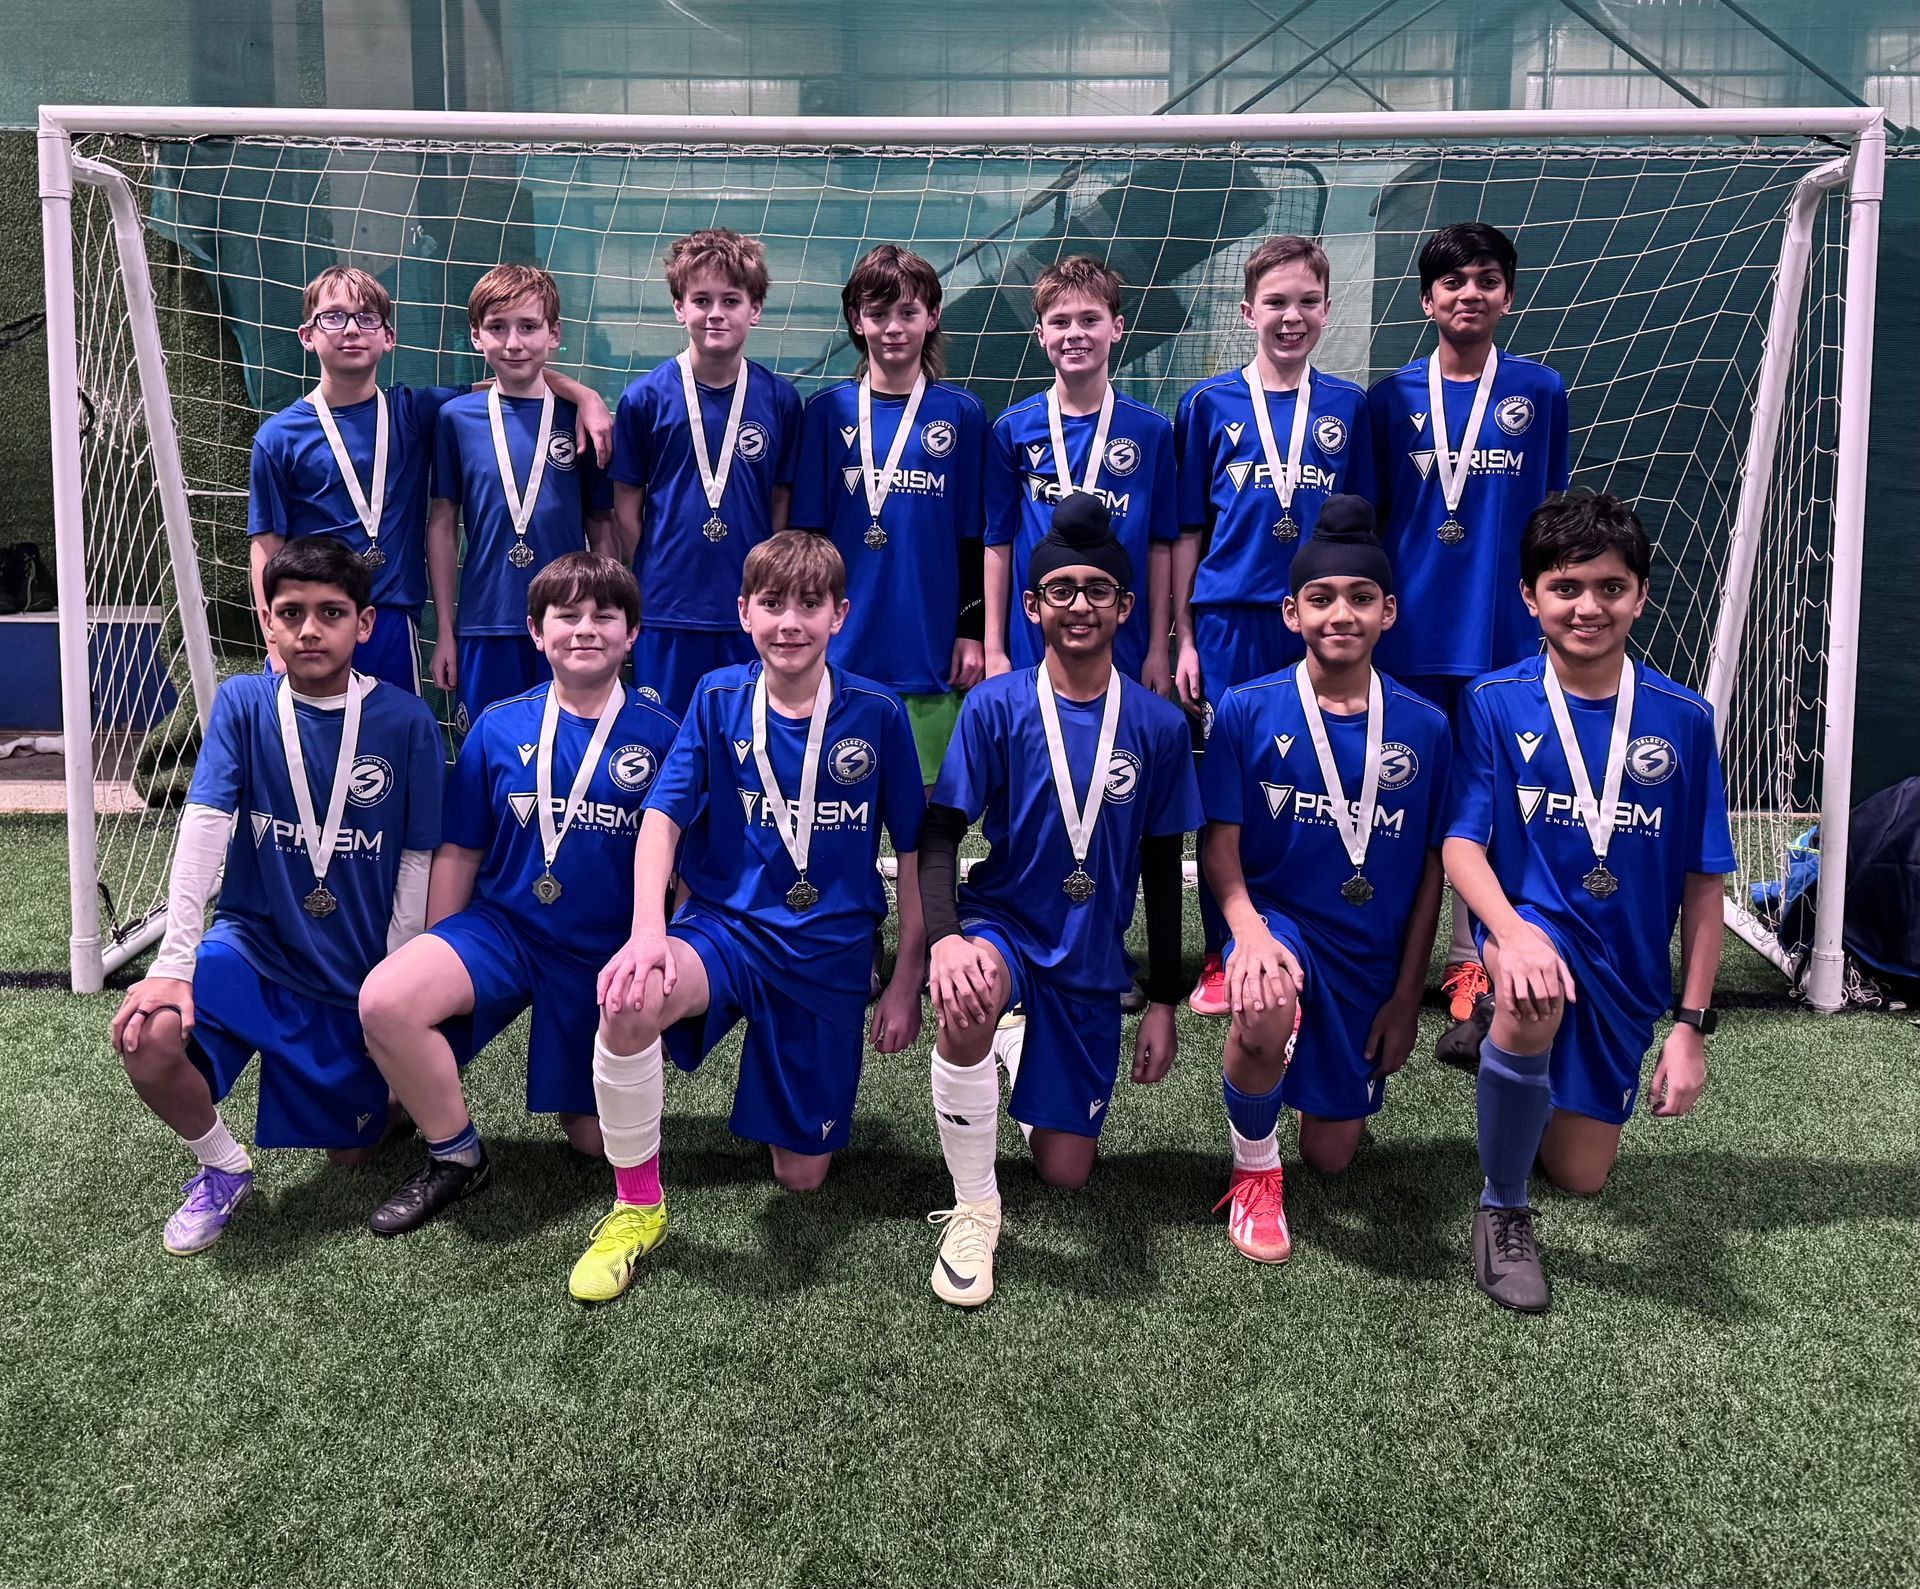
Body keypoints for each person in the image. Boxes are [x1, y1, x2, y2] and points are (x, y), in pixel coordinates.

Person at [572, 531, 927, 1303]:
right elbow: (661, 820)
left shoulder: (877, 712)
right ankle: (636, 1206)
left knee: (800, 1178)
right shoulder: (716, 696)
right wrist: (647, 931)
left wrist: (907, 977)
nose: (789, 622)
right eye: (772, 604)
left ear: (841, 612)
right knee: (627, 998)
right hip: (725, 932)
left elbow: (919, 851)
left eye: (809, 604)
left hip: (831, 951)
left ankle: (781, 1073)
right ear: (744, 612)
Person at [1442, 490, 1733, 1313]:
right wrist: (1508, 934)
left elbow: (1703, 883)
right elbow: (1463, 843)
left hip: (1627, 974)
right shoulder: (1494, 702)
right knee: (1533, 992)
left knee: (1582, 1173)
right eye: (1566, 587)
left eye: (1610, 587)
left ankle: (1517, 1087)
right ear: (1530, 597)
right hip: (1531, 934)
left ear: (1641, 596)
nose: (1588, 606)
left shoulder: (1683, 720)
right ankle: (1501, 1207)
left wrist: (1690, 1028)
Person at [109, 535, 443, 1252]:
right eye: (291, 612)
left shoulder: (407, 721)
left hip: (351, 970)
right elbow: (202, 824)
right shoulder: (241, 703)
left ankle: (378, 1099)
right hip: (253, 948)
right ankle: (223, 1167)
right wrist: (172, 961)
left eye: (331, 611)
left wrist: (394, 978)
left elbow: (416, 860)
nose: (310, 629)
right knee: (148, 1033)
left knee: (352, 1154)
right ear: (268, 622)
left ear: (366, 623)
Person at [917, 493, 1201, 1307]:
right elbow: (939, 835)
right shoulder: (996, 706)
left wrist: (1163, 1002)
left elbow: (1159, 862)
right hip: (1004, 923)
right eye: (1062, 590)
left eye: (1097, 590)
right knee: (968, 997)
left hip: (1090, 954)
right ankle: (975, 1208)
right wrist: (944, 939)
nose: (1080, 605)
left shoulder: (1157, 725)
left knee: (1068, 1171)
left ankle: (1019, 1050)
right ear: (1033, 605)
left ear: (1124, 604)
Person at [358, 553, 680, 1236]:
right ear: (537, 632)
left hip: (599, 951)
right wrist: (441, 946)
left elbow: (680, 865)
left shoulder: (665, 738)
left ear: (633, 634)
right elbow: (461, 849)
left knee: (593, 1141)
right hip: (503, 931)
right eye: (566, 615)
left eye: (604, 616)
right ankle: (455, 1153)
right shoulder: (498, 726)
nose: (584, 628)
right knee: (387, 999)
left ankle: (583, 1090)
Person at [1199, 497, 1450, 1262]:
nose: (1341, 614)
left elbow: (1434, 872)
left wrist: (1408, 999)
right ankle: (1254, 1171)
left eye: (1360, 598)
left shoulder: (1427, 726)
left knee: (1334, 1157)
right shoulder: (1245, 708)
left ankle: (1313, 1064)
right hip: (1280, 925)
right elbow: (1220, 845)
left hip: (1369, 957)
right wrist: (1244, 933)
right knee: (1269, 995)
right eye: (1321, 598)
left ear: (1389, 611)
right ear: (1290, 610)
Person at [1366, 222, 1571, 1046]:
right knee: (1398, 800)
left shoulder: (1541, 391)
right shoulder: (1389, 399)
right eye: (1452, 283)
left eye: (1486, 280)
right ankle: (1383, 954)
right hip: (1411, 637)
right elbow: (1377, 522)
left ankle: (1472, 961)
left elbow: (1551, 522)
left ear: (1507, 295)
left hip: (1502, 640)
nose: (1469, 294)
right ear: (1426, 300)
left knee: (1490, 810)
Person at [1172, 235, 1376, 1018]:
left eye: (1307, 302)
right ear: (1246, 311)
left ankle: (1309, 934)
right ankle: (1224, 953)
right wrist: (1184, 636)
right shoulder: (1207, 404)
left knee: (1309, 779)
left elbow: (1359, 532)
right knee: (1227, 790)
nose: (1291, 317)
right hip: (1228, 622)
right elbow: (1188, 528)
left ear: (1326, 308)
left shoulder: (1348, 407)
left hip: (1317, 622)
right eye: (1276, 303)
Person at [248, 265, 611, 693]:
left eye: (367, 317)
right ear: (307, 335)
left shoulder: (416, 412)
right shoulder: (278, 437)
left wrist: (585, 395)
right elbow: (265, 547)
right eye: (333, 316)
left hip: (392, 622)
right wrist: (274, 640)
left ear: (389, 337)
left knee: (388, 748)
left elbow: (511, 375)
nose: (351, 329)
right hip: (312, 623)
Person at [790, 244, 987, 787]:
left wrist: (970, 630)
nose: (893, 328)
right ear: (857, 320)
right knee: (837, 803)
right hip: (842, 644)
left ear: (933, 315)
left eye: (907, 312)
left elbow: (976, 537)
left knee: (925, 815)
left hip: (928, 646)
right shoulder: (826, 412)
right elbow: (808, 540)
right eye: (877, 315)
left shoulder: (963, 415)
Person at [610, 228, 804, 716]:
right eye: (701, 299)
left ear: (754, 310)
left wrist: (770, 579)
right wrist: (659, 566)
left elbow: (781, 501)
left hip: (753, 608)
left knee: (744, 740)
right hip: (668, 606)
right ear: (680, 308)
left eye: (731, 300)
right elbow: (626, 507)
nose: (715, 312)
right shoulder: (645, 398)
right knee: (667, 742)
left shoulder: (780, 400)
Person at [426, 265, 616, 729]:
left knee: (568, 758)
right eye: (498, 328)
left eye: (529, 327)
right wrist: (446, 633)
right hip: (485, 623)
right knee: (486, 763)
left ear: (554, 334)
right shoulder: (455, 419)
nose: (514, 343)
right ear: (476, 336)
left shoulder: (582, 419)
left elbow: (602, 526)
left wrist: (609, 619)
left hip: (571, 626)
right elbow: (442, 526)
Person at [984, 254, 1177, 696]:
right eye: (1060, 322)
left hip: (1125, 642)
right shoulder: (1011, 429)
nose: (1075, 334)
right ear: (1040, 335)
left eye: (1090, 319)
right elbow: (997, 540)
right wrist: (995, 647)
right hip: (1031, 640)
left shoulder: (1152, 431)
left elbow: (1161, 544)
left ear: (1117, 327)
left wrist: (1157, 651)